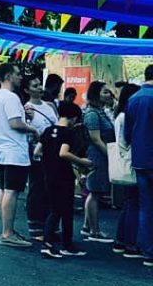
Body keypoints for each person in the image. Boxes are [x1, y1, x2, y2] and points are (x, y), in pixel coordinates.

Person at [0, 63, 40, 247]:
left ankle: (6, 228)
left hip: (1, 149)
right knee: (12, 191)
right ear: (9, 76)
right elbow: (15, 123)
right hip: (14, 150)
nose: (21, 77)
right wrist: (33, 129)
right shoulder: (11, 97)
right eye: (18, 74)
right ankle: (7, 232)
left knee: (4, 189)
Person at [40, 99, 92, 258]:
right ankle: (67, 245)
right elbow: (63, 153)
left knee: (54, 210)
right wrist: (82, 161)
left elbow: (37, 151)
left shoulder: (48, 130)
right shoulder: (69, 133)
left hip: (48, 174)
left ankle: (47, 243)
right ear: (73, 118)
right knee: (66, 212)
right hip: (64, 176)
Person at [123, 64, 153, 267]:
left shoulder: (133, 99)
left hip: (140, 160)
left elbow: (127, 135)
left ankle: (148, 251)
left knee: (145, 207)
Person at [23, 73, 58, 240]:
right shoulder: (27, 109)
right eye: (35, 86)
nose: (39, 88)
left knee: (50, 188)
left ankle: (48, 224)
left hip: (52, 151)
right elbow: (27, 131)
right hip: (36, 152)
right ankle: (34, 225)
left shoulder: (49, 106)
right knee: (37, 187)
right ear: (27, 90)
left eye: (39, 84)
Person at [81, 81, 117, 243]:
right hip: (97, 155)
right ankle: (94, 231)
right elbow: (95, 139)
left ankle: (88, 226)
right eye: (104, 92)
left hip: (102, 154)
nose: (108, 94)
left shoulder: (101, 112)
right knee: (94, 192)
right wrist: (110, 155)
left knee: (95, 191)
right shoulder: (92, 114)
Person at [112, 83, 142, 258]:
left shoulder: (119, 115)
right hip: (130, 161)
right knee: (134, 203)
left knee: (129, 203)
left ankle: (121, 240)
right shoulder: (125, 117)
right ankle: (130, 243)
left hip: (123, 161)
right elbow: (127, 139)